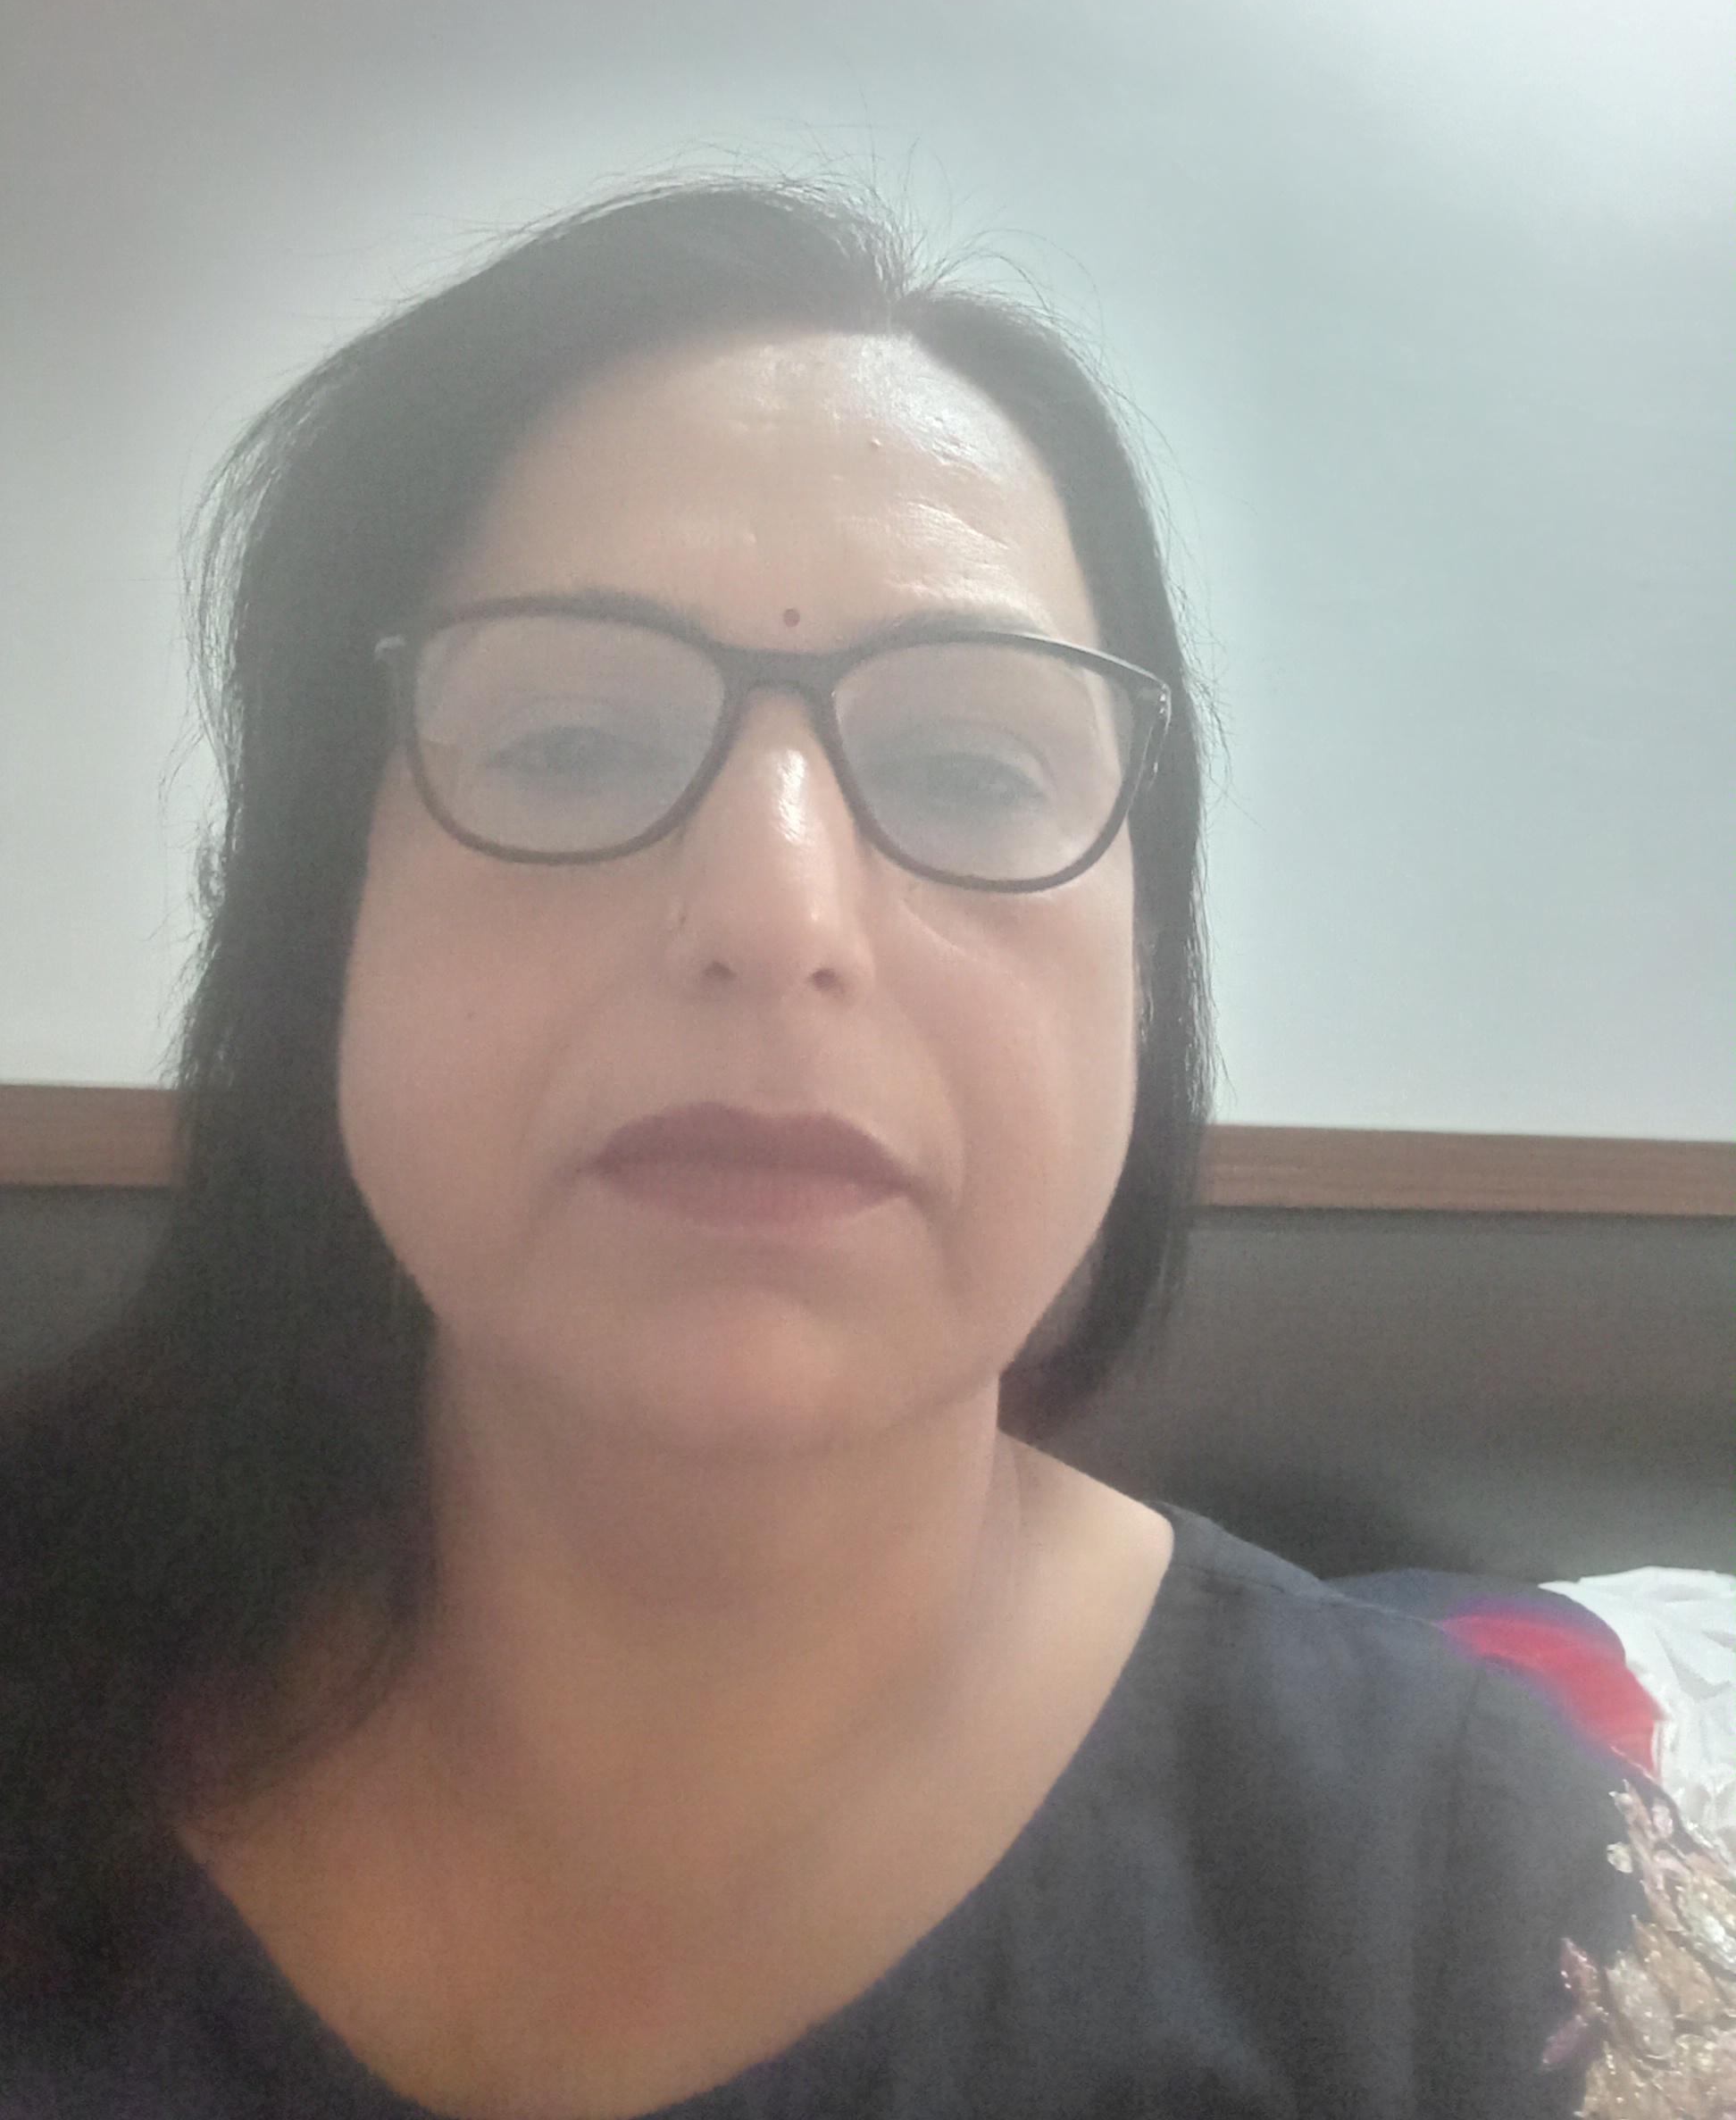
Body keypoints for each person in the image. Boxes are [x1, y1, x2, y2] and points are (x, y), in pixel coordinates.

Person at [0, 179, 1723, 2118]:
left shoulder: (1490, 1916)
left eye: (968, 769)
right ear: (322, 921)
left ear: (1146, 975)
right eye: (569, 744)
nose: (777, 910)